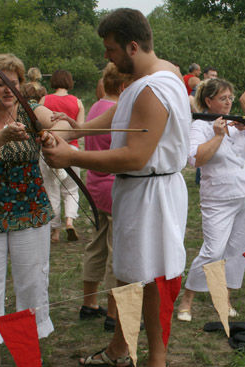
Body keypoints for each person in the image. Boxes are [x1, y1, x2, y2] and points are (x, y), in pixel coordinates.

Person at [41, 8, 190, 367]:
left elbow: (135, 156)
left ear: (133, 46)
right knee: (127, 274)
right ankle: (120, 348)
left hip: (151, 194)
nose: (107, 56)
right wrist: (76, 131)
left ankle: (156, 359)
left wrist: (71, 157)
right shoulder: (159, 73)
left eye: (111, 50)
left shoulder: (153, 88)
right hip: (142, 193)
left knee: (150, 279)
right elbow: (120, 113)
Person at [0, 53, 60, 367]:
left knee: (31, 282)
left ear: (21, 84)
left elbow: (57, 127)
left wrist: (54, 132)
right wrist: (3, 135)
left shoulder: (33, 112)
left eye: (14, 82)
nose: (8, 89)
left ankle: (26, 354)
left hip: (29, 211)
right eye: (0, 82)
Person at [176, 78, 245, 322]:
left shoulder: (239, 123)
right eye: (223, 99)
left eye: (230, 98)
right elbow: (196, 159)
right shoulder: (200, 126)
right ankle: (187, 300)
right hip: (218, 196)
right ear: (209, 101)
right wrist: (217, 135)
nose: (228, 103)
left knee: (238, 250)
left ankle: (224, 298)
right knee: (213, 250)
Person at [79, 62, 133, 333]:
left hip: (95, 185)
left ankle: (89, 303)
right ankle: (114, 313)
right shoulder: (117, 111)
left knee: (98, 244)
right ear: (124, 86)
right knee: (116, 250)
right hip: (112, 187)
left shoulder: (98, 106)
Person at [39, 69, 84, 242]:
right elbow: (79, 130)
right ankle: (70, 221)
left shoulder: (45, 100)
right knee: (71, 189)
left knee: (51, 189)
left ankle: (55, 230)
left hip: (51, 149)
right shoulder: (77, 102)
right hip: (71, 149)